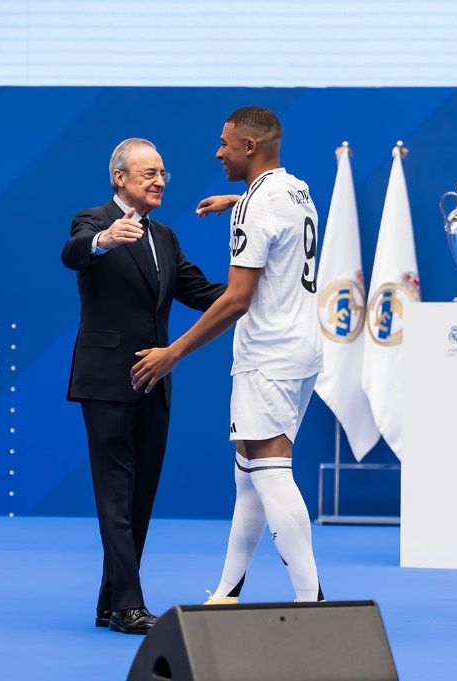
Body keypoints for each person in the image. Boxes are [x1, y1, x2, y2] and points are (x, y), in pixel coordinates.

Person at [131, 106, 325, 603]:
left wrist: (173, 353)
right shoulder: (296, 190)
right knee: (250, 475)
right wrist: (236, 200)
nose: (218, 152)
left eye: (225, 143)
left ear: (249, 147)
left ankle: (314, 603)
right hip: (303, 349)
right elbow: (271, 212)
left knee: (272, 473)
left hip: (267, 357)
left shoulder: (257, 206)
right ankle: (227, 592)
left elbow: (237, 299)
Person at [61, 138, 224, 634]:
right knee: (115, 492)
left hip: (155, 381)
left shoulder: (166, 238)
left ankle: (110, 603)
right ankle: (129, 606)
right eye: (148, 173)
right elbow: (74, 253)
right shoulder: (92, 220)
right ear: (120, 178)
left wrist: (261, 288)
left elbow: (204, 293)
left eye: (162, 174)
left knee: (140, 496)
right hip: (106, 380)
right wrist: (104, 240)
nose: (159, 181)